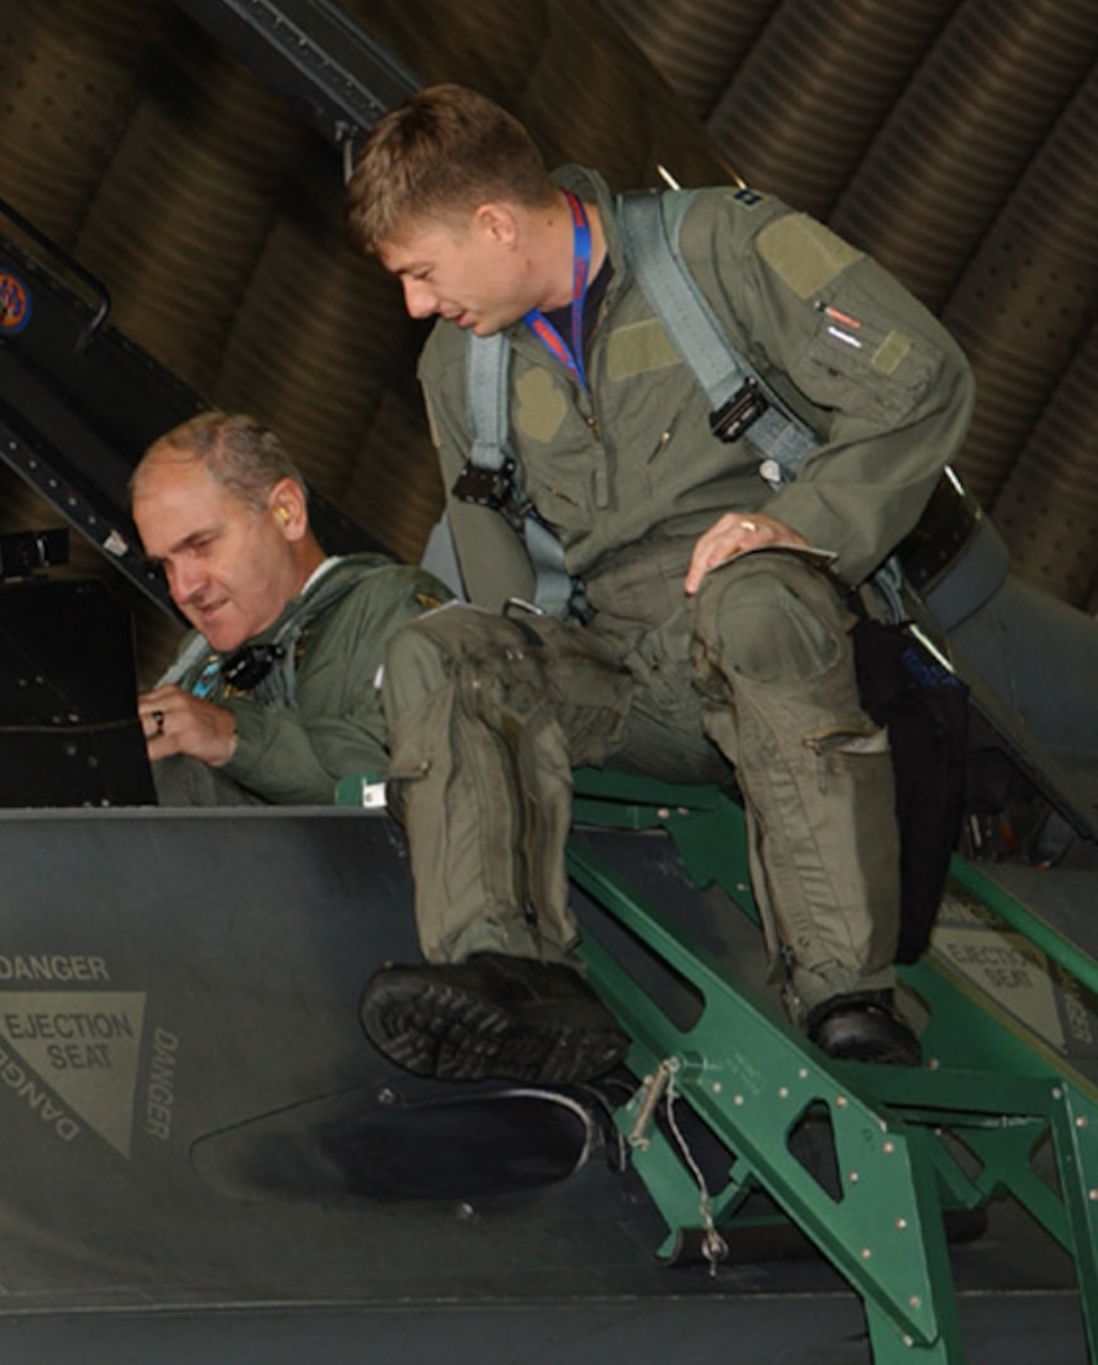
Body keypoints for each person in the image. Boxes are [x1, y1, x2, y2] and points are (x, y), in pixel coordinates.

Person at [343, 84, 975, 1086]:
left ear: (497, 223)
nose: (420, 303)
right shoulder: (455, 370)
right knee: (441, 645)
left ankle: (844, 992)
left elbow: (923, 378)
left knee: (754, 598)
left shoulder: (724, 248)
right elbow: (504, 589)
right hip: (631, 681)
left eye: (422, 271)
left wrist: (798, 526)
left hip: (779, 636)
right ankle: (513, 971)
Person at [131, 411, 448, 805]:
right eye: (165, 564)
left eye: (201, 545)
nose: (182, 588)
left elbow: (407, 784)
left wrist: (228, 735)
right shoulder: (199, 661)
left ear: (287, 511)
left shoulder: (390, 609)